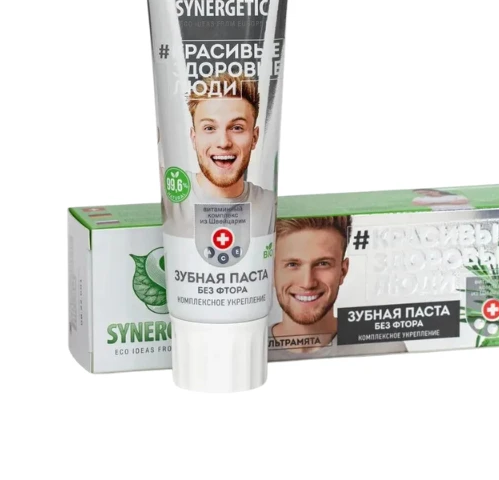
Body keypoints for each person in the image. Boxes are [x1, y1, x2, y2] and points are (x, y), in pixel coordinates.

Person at [269, 216, 407, 359]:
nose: (307, 283)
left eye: (323, 264)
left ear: (343, 271)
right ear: (272, 271)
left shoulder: (385, 348)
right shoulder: (254, 350)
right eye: (292, 264)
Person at [162, 74, 275, 238]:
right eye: (209, 128)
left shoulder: (270, 205)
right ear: (194, 138)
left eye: (237, 128)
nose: (223, 142)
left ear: (255, 137)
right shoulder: (170, 193)